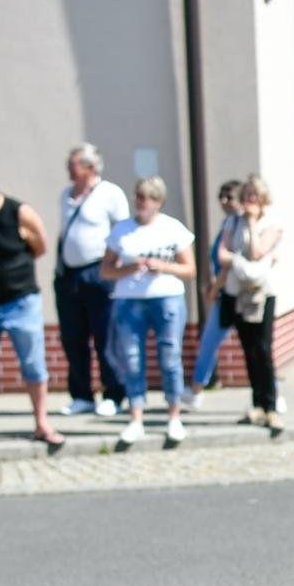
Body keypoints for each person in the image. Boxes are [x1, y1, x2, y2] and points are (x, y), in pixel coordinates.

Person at [102, 177, 197, 445]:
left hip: (166, 297)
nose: (141, 202)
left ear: (159, 201)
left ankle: (174, 416)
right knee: (132, 359)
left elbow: (189, 269)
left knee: (170, 357)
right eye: (138, 196)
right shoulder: (122, 230)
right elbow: (106, 269)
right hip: (129, 300)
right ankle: (136, 418)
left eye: (147, 197)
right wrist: (130, 268)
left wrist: (162, 267)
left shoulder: (172, 228)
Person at [0, 164, 64, 455]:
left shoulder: (19, 212)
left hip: (21, 301)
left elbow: (39, 246)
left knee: (32, 364)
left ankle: (42, 423)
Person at [54, 142, 129, 417]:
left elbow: (122, 233)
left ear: (90, 166)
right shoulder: (66, 195)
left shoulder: (109, 193)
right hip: (70, 274)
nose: (68, 168)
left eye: (73, 163)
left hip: (98, 271)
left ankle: (115, 393)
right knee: (73, 336)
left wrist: (115, 267)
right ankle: (82, 394)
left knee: (105, 335)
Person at [209, 173, 283, 433]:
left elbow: (257, 251)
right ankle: (257, 404)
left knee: (263, 349)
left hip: (262, 295)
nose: (250, 200)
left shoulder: (271, 222)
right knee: (248, 350)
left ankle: (271, 405)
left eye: (255, 196)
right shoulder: (232, 221)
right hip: (237, 292)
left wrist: (251, 223)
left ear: (263, 199)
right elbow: (222, 254)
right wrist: (242, 262)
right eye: (247, 195)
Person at [184, 180, 240, 409]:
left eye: (229, 196)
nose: (224, 201)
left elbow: (229, 264)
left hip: (234, 294)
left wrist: (215, 288)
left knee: (255, 346)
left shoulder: (240, 225)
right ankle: (197, 389)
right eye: (221, 196)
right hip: (224, 293)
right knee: (209, 341)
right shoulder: (227, 223)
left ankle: (271, 390)